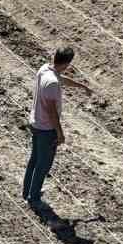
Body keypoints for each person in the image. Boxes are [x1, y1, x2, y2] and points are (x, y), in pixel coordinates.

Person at [23, 46, 92, 211]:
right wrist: (60, 133)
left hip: (36, 122)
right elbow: (52, 112)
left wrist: (82, 86)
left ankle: (28, 191)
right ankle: (34, 198)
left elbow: (61, 79)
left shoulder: (45, 70)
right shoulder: (52, 83)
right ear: (67, 63)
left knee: (34, 160)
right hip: (47, 128)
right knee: (43, 164)